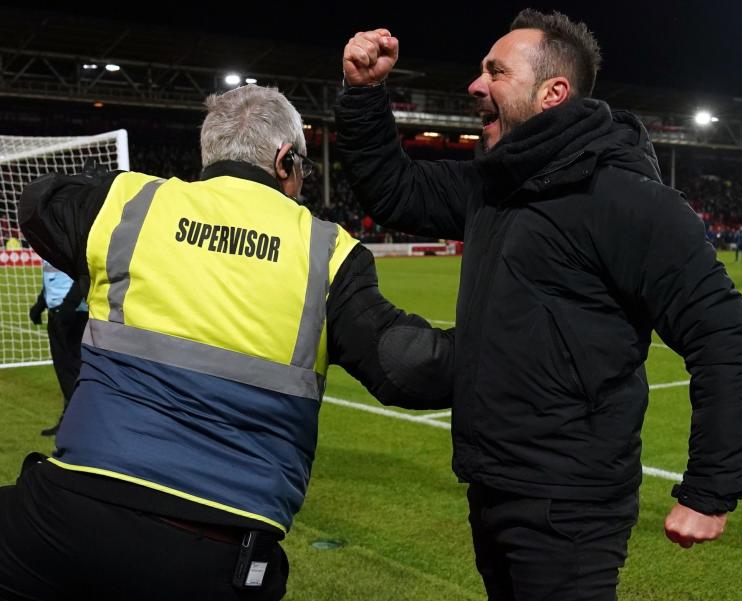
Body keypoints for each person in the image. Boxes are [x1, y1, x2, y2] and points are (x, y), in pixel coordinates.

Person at [337, 11, 742, 600]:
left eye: (495, 71)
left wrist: (711, 488)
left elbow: (726, 340)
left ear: (552, 94)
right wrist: (364, 95)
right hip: (491, 484)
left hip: (572, 504)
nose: (475, 85)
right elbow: (395, 189)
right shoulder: (494, 187)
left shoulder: (625, 200)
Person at [2, 84, 454, 601]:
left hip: (64, 516)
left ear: (209, 152)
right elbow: (409, 367)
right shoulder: (325, 249)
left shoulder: (132, 203)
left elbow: (40, 199)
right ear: (286, 160)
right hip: (215, 552)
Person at [29, 259, 89, 436]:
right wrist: (40, 305)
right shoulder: (52, 242)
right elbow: (51, 278)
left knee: (72, 371)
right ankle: (69, 421)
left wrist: (67, 307)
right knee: (66, 371)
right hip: (59, 312)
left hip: (72, 314)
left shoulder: (69, 239)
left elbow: (83, 274)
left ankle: (79, 424)